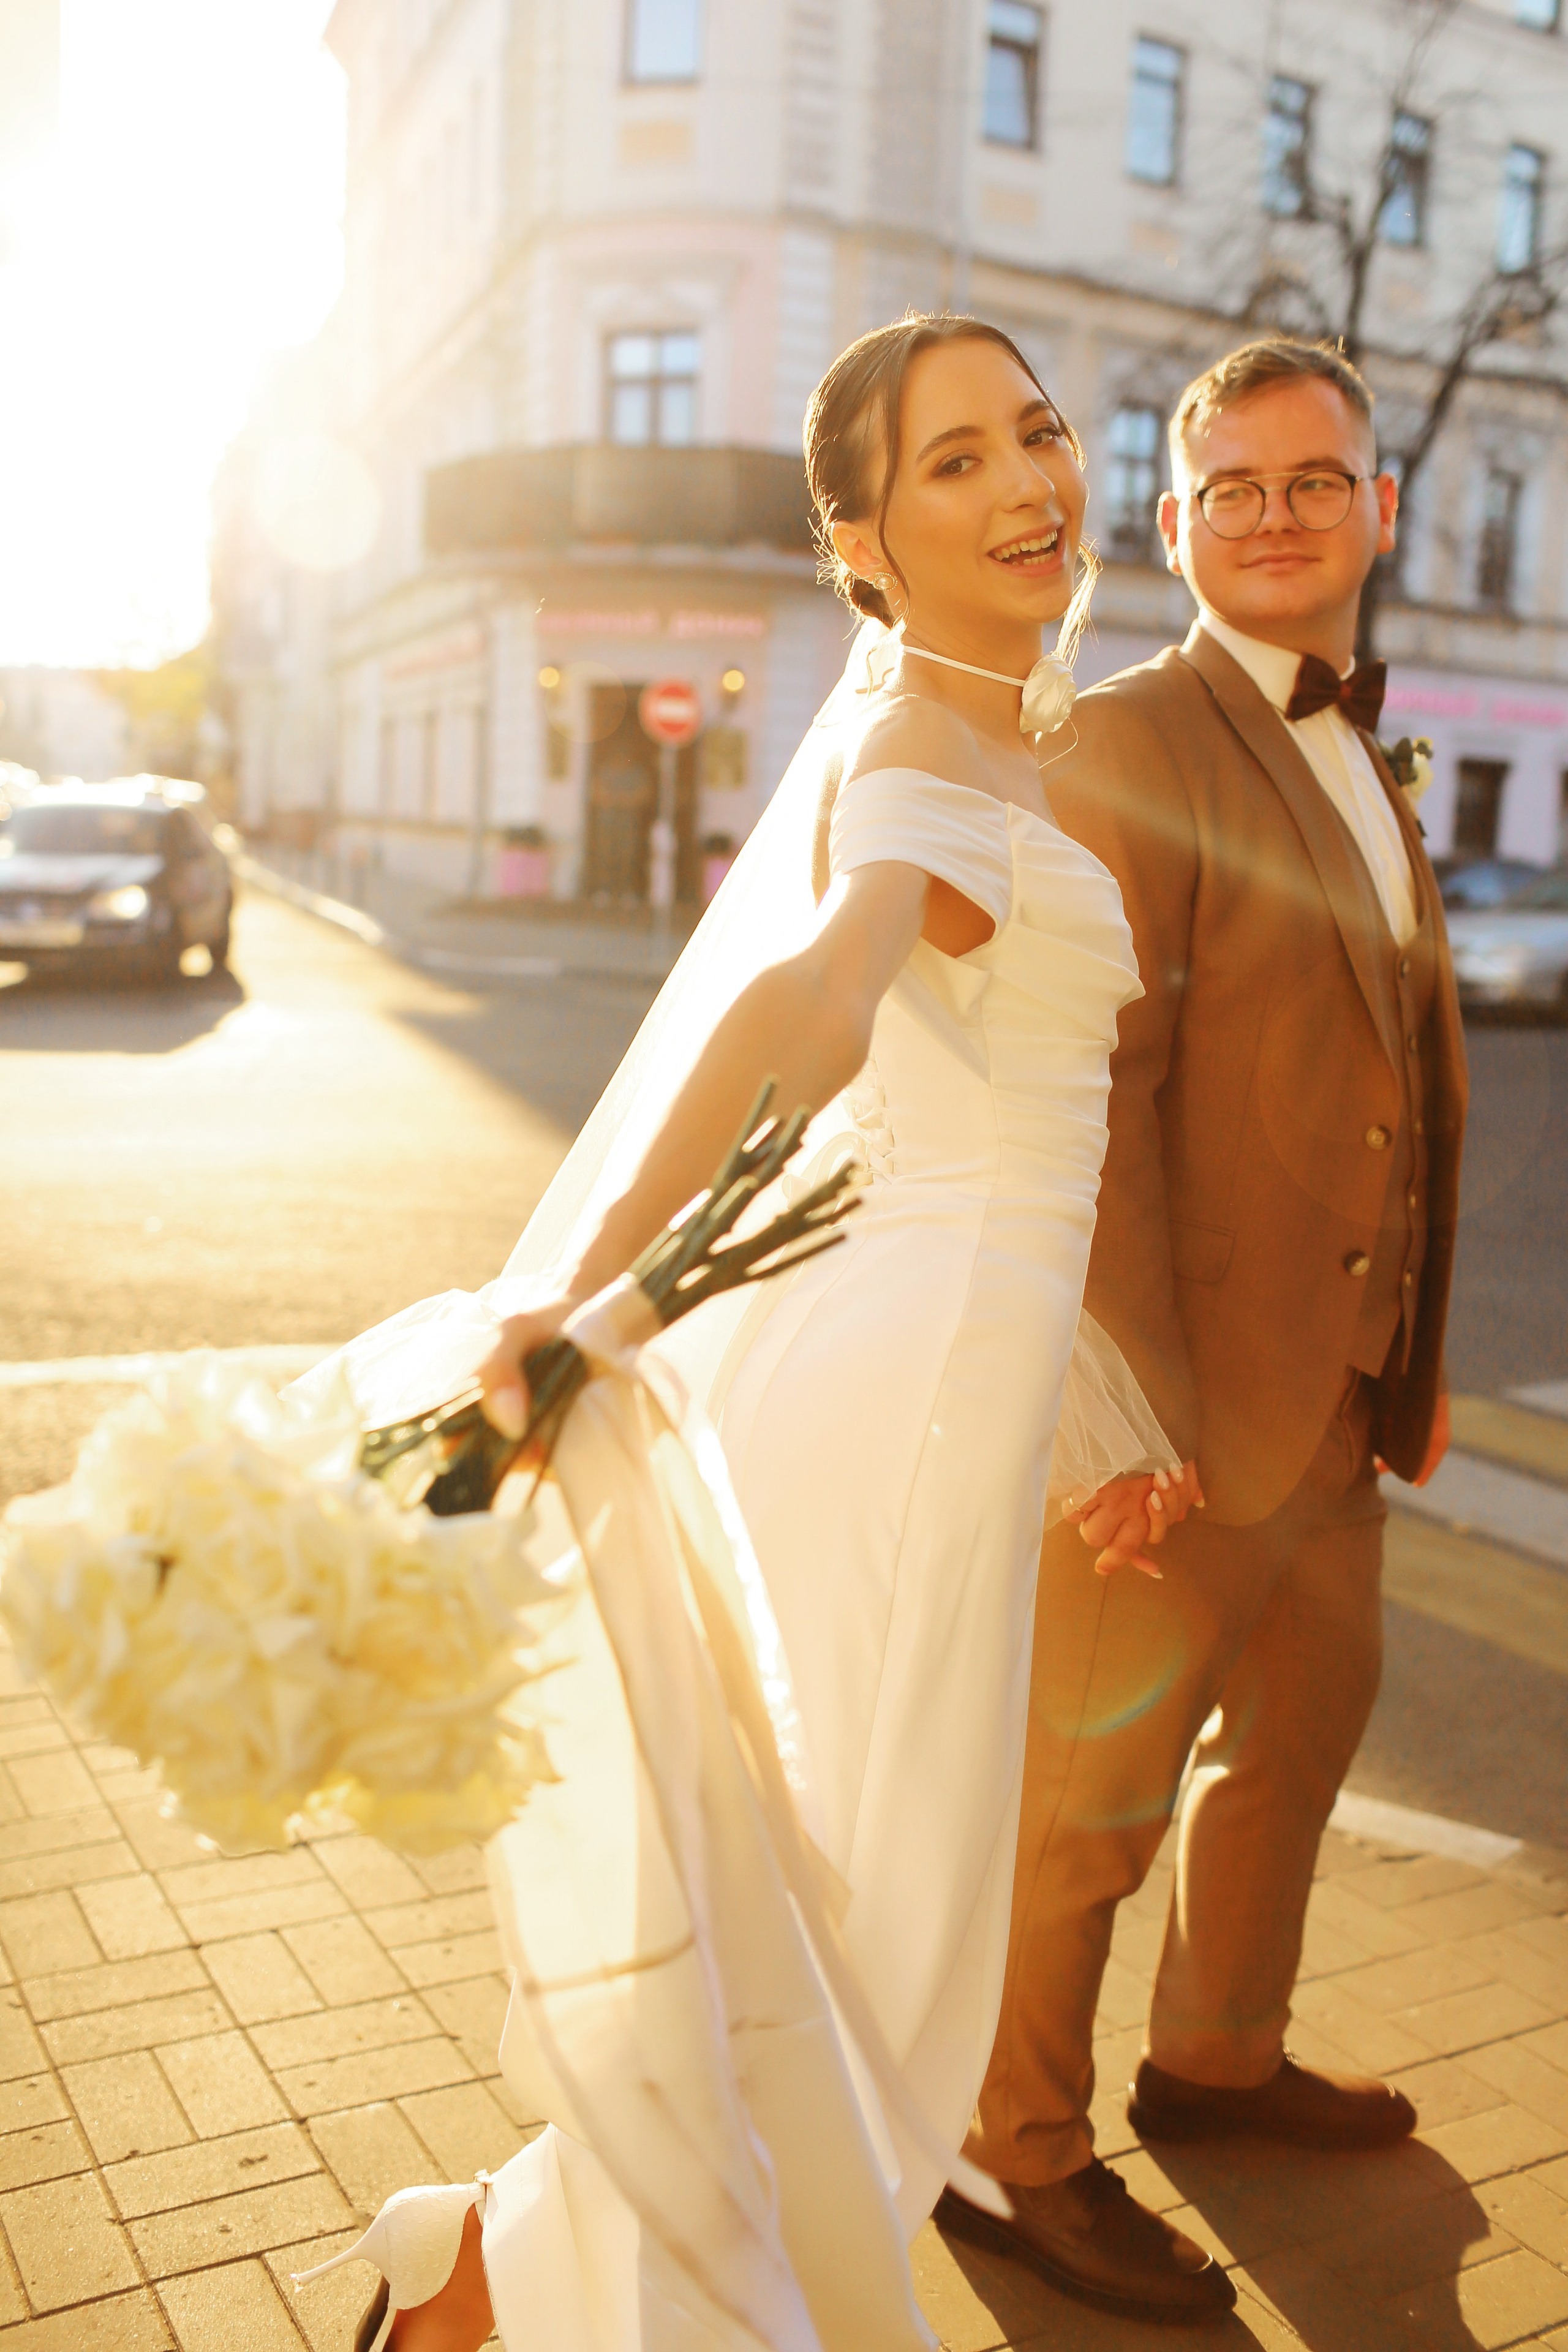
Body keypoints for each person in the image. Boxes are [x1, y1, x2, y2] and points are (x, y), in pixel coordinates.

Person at [297, 312, 1221, 2352]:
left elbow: (974, 1128)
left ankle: (487, 2267)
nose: (1025, 482)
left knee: (868, 1954)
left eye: (1040, 436)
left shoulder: (1013, 744)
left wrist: (1091, 1399)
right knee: (849, 1955)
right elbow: (812, 999)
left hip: (964, 1397)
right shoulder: (908, 747)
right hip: (888, 1416)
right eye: (955, 460)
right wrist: (585, 1284)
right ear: (859, 541)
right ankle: (513, 2284)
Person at [946, 336, 1467, 2322]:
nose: (1272, 516)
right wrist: (1121, 1416)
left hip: (1341, 1399)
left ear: (1375, 509)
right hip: (1174, 1419)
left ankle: (1218, 2060)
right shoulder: (1133, 738)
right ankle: (1015, 2156)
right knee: (1089, 1812)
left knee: (1299, 1748)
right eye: (1231, 489)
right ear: (1171, 527)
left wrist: (1391, 1355)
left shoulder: (1356, 738)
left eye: (1311, 482)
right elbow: (1095, 1104)